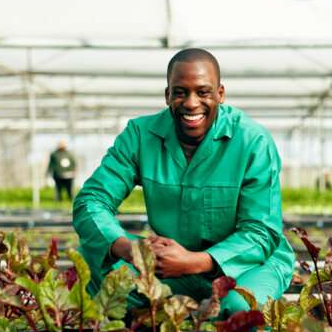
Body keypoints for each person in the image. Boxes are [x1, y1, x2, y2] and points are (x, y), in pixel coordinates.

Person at [72, 48, 295, 318]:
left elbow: (261, 232)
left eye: (203, 92)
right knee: (100, 269)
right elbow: (91, 201)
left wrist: (195, 261)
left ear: (220, 94)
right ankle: (164, 313)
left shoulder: (252, 142)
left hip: (248, 266)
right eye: (180, 92)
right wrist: (130, 250)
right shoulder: (140, 136)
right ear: (167, 95)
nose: (191, 103)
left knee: (239, 312)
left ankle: (189, 311)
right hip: (170, 265)